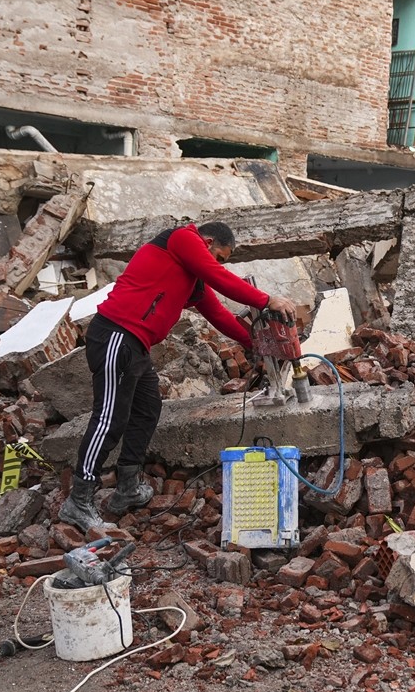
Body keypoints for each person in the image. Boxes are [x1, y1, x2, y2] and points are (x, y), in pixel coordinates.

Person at [60, 221, 297, 532]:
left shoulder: (192, 275)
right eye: (219, 256)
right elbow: (218, 276)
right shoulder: (182, 239)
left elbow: (218, 313)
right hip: (116, 334)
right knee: (109, 419)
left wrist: (256, 344)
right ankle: (78, 501)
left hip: (136, 344)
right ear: (207, 242)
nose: (218, 264)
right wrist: (266, 300)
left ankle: (127, 488)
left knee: (147, 410)